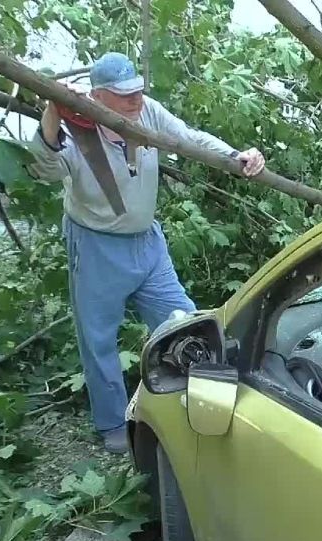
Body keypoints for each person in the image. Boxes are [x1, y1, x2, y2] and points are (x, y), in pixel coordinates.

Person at [28, 52, 265, 454]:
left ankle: (206, 401)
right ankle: (112, 425)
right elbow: (44, 170)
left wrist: (234, 156)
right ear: (99, 97)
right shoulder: (74, 127)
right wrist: (53, 110)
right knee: (99, 340)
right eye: (124, 95)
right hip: (97, 245)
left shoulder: (147, 111)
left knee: (185, 321)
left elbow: (187, 137)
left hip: (147, 243)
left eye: (137, 90)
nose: (135, 100)